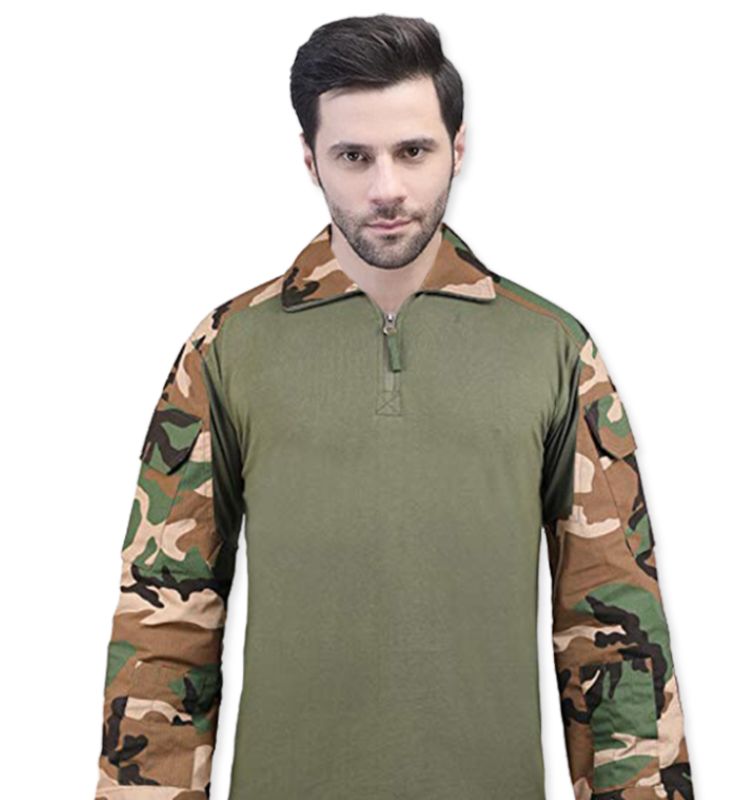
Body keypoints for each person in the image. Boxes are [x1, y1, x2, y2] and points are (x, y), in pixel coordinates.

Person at [93, 13, 694, 800]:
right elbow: (163, 625)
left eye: (413, 151)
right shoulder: (227, 349)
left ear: (458, 147)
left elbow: (616, 637)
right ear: (310, 158)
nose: (386, 189)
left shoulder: (551, 349)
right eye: (353, 156)